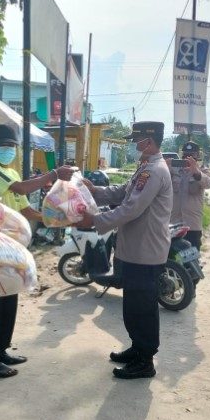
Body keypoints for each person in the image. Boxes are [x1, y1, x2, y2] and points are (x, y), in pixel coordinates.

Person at [0, 124, 75, 378]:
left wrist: (54, 218)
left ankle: (1, 350)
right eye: (3, 146)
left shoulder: (11, 171)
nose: (8, 151)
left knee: (9, 296)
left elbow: (24, 209)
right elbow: (20, 189)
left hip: (12, 245)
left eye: (11, 147)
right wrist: (52, 174)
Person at [77, 121, 173, 379]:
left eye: (136, 140)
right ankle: (137, 348)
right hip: (134, 250)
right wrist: (95, 191)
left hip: (146, 253)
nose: (133, 145)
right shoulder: (144, 168)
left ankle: (145, 361)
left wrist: (95, 221)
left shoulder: (153, 171)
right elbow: (122, 193)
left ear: (149, 141)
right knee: (132, 307)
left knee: (142, 308)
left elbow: (131, 208)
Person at [170, 141, 210, 250]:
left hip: (192, 225)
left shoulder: (203, 171)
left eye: (191, 155)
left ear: (197, 156)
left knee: (192, 258)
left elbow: (208, 183)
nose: (188, 158)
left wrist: (196, 172)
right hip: (174, 223)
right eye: (185, 154)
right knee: (172, 258)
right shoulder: (174, 171)